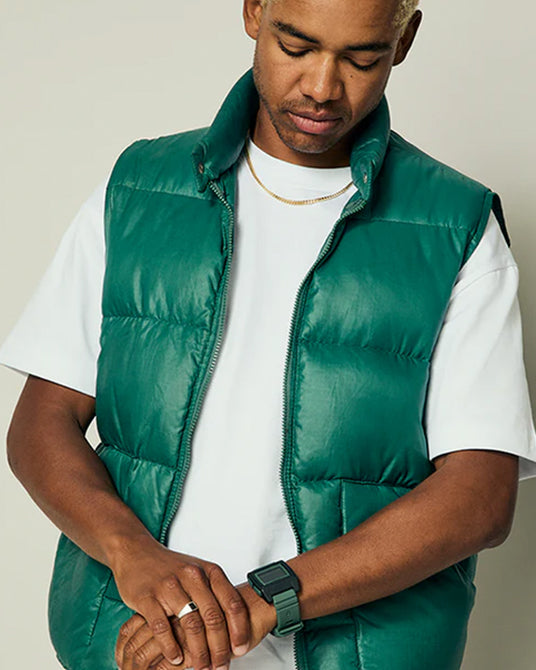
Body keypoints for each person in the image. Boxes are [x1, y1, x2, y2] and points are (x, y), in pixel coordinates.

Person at [2, 0, 536, 669]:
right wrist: (132, 556)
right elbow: (41, 425)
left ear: (404, 40)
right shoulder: (140, 189)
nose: (322, 86)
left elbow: (480, 498)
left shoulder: (455, 226)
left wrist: (264, 601)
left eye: (361, 58)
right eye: (296, 46)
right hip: (142, 644)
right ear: (255, 11)